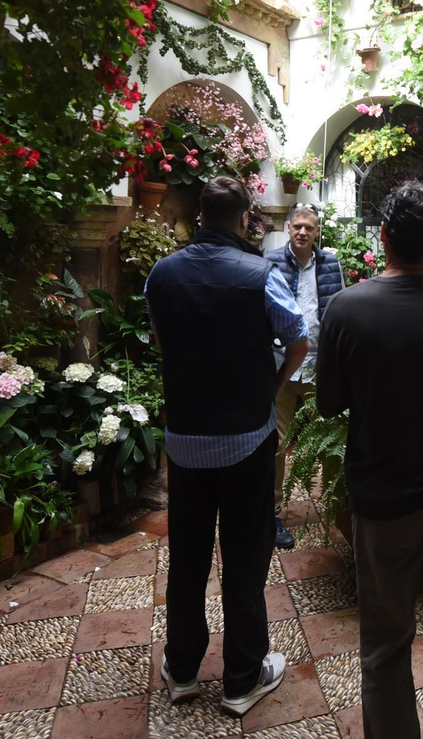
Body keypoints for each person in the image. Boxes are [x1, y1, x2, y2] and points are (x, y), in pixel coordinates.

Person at [317, 182, 423, 739]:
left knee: (385, 639)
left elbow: (328, 402)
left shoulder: (346, 309)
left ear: (384, 236)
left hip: (382, 494)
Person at [144, 177, 309, 717]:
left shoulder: (160, 275)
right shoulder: (261, 275)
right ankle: (242, 678)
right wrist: (271, 386)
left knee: (187, 556)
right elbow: (299, 340)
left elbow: (164, 342)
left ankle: (183, 668)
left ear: (197, 216)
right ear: (244, 219)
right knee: (244, 557)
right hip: (246, 440)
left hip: (185, 439)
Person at [269, 204, 344, 549]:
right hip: (283, 366)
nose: (302, 232)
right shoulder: (270, 262)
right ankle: (271, 513)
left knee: (328, 439)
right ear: (288, 228)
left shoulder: (330, 264)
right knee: (276, 443)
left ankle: (336, 505)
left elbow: (338, 311)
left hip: (319, 367)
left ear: (316, 232)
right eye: (297, 226)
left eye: (309, 228)